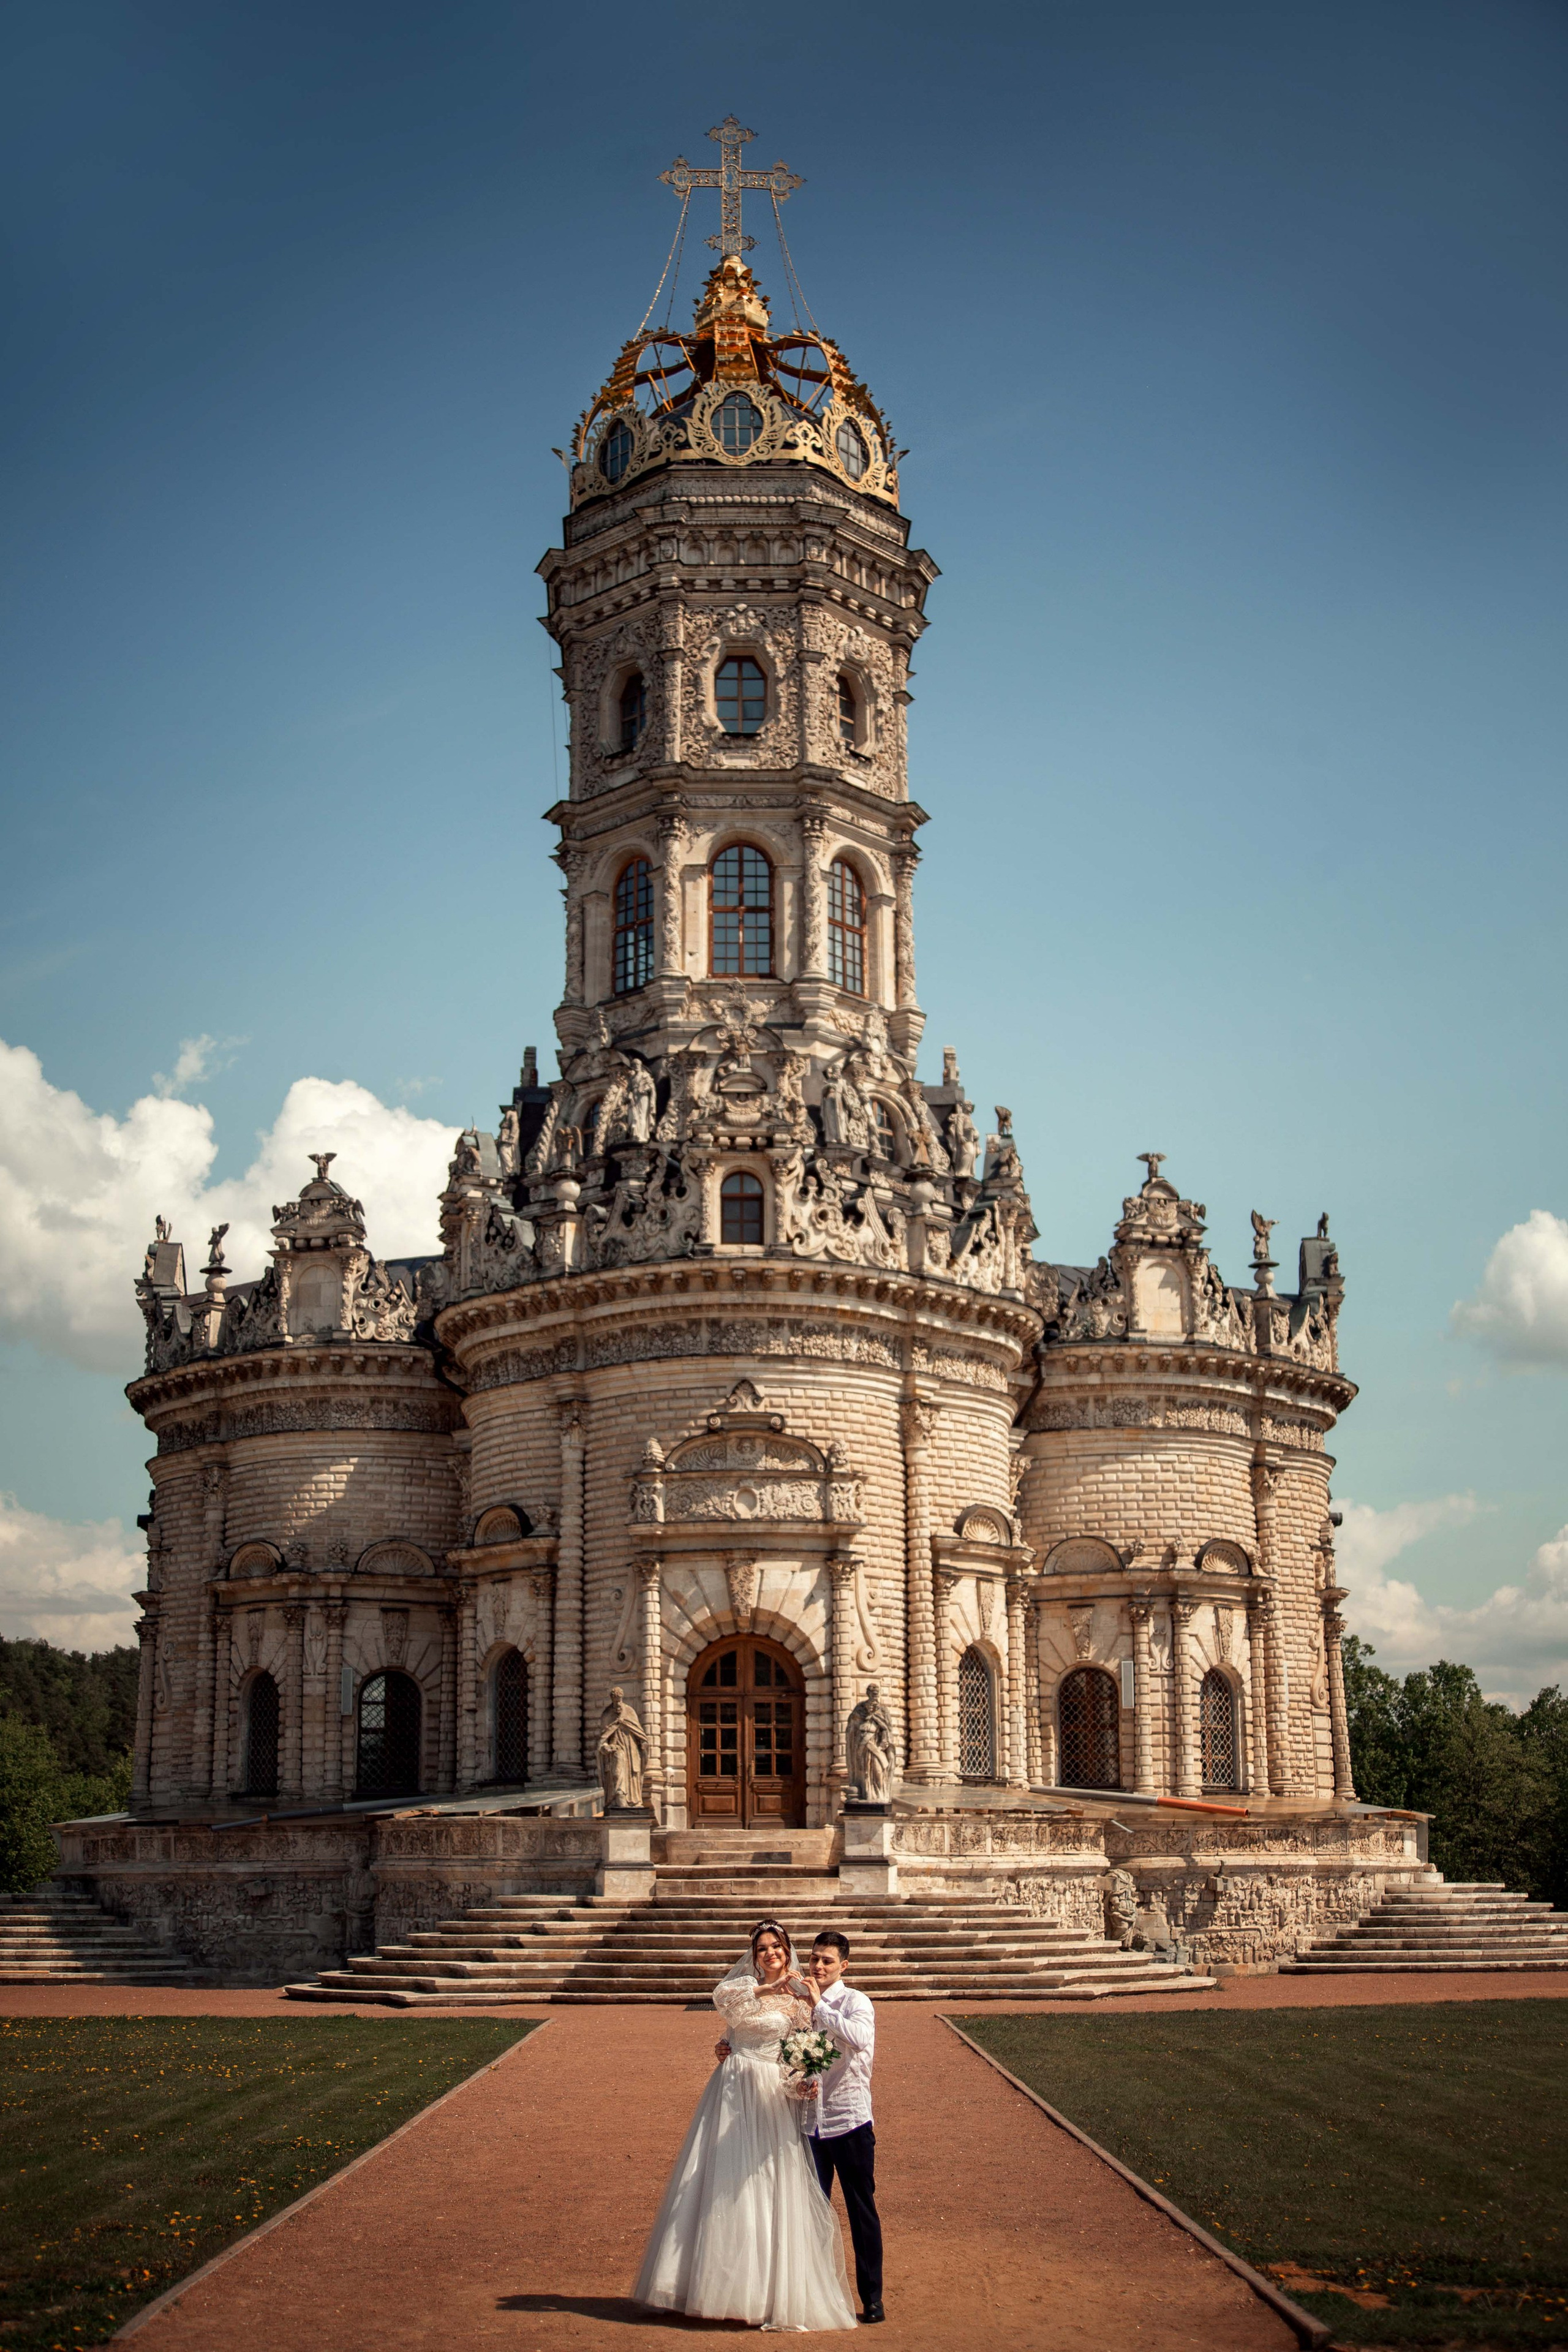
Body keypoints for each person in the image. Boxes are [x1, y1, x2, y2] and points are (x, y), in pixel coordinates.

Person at [634, 1920, 856, 2332]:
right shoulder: (744, 1989)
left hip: (767, 2093)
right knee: (718, 2177)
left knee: (762, 2183)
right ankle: (708, 2285)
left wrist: (802, 2081)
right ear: (754, 1956)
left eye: (777, 1947)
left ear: (787, 1950)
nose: (771, 1954)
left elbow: (799, 2054)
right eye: (763, 1949)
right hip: (731, 2089)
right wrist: (758, 2001)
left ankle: (762, 2292)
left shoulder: (799, 2000)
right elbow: (723, 2002)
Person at [803, 1931, 883, 2326]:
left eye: (827, 1961)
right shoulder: (800, 2003)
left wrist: (821, 2007)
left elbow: (859, 2038)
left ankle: (872, 2297)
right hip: (809, 2125)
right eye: (815, 1959)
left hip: (849, 2121)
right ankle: (818, 2294)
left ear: (844, 1966)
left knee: (860, 2211)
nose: (818, 1967)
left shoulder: (856, 2002)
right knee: (811, 2210)